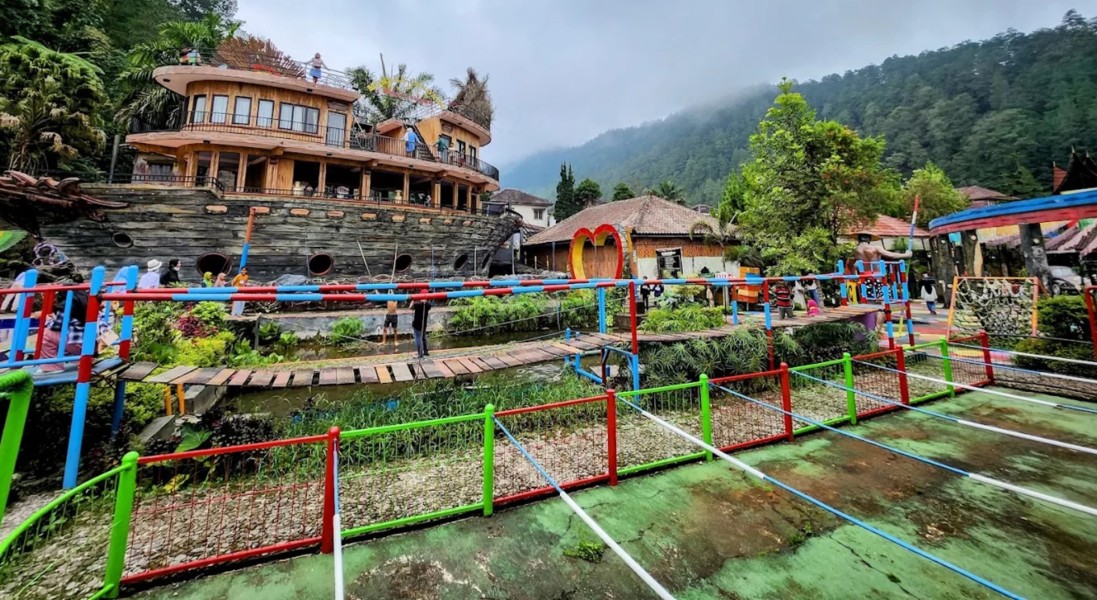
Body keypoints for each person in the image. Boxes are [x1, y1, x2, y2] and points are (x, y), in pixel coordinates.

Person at [36, 289, 90, 373]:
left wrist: (46, 318)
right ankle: (79, 360)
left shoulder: (67, 306)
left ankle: (52, 367)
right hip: (91, 345)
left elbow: (55, 326)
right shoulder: (88, 303)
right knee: (64, 335)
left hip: (79, 345)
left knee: (46, 333)